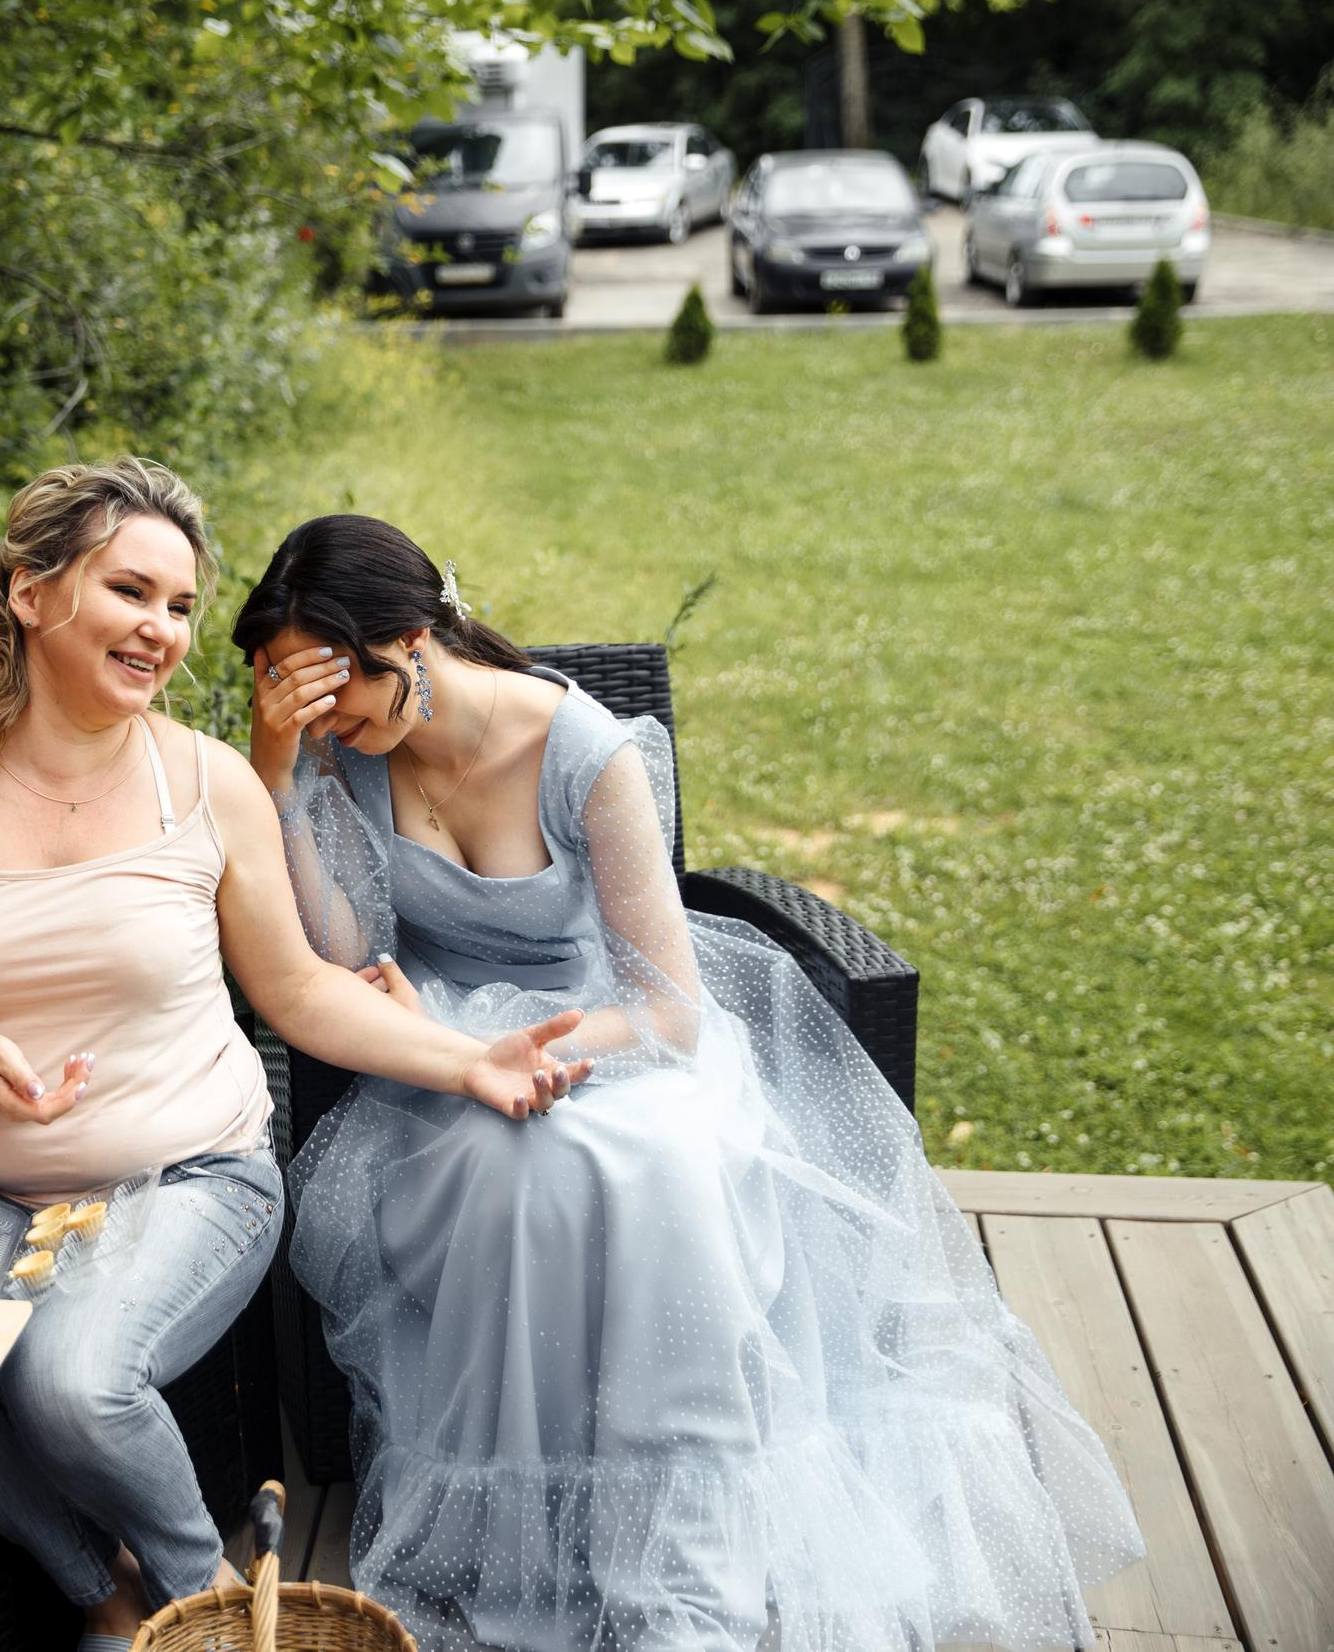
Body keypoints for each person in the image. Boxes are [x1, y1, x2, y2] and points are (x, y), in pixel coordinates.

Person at [232, 513, 1145, 1652]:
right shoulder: (341, 758)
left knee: (640, 1163)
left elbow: (670, 1008)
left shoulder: (586, 754)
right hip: (442, 1053)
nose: (317, 714)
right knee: (507, 1170)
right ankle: (541, 1546)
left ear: (406, 639)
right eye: (284, 691)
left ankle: (682, 1563)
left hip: (619, 1039)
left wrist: (548, 1052)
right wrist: (280, 776)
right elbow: (331, 950)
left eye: (323, 685)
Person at [0, 461, 587, 1652]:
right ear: (29, 592)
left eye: (178, 606)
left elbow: (296, 994)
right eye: (131, 591)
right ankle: (112, 1590)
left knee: (74, 1384)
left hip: (188, 1176)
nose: (163, 632)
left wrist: (464, 1059)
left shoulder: (208, 782)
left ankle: (221, 1609)